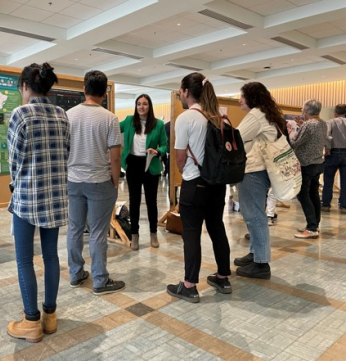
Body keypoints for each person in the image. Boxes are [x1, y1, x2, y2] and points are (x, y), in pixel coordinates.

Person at [6, 63, 70, 343]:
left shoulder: (21, 114)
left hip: (26, 198)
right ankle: (50, 317)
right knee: (51, 256)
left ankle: (31, 322)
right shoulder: (62, 115)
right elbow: (66, 153)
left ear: (25, 87)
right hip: (55, 196)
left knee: (24, 260)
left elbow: (14, 161)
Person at [166, 73, 231, 303]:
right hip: (217, 185)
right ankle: (223, 277)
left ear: (185, 91)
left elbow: (180, 157)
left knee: (191, 234)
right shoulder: (220, 118)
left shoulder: (186, 118)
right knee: (217, 229)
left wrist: (186, 173)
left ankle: (189, 285)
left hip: (195, 184)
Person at [66, 70, 125, 296]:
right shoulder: (109, 118)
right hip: (99, 181)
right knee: (99, 232)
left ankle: (76, 274)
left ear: (84, 89)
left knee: (74, 229)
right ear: (105, 92)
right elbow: (115, 157)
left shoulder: (68, 115)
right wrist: (114, 181)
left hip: (73, 180)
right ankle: (100, 280)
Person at [233, 82, 286, 280]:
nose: (239, 100)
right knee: (256, 213)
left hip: (254, 171)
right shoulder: (267, 113)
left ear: (251, 97)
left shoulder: (256, 115)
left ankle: (261, 263)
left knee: (254, 215)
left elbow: (236, 137)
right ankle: (256, 253)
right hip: (262, 171)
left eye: (242, 96)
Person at [120, 94, 168, 250]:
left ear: (150, 106)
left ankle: (153, 233)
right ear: (136, 106)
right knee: (134, 201)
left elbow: (165, 146)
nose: (141, 107)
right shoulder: (128, 121)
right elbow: (112, 126)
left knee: (151, 201)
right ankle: (135, 235)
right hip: (133, 163)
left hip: (150, 163)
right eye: (139, 104)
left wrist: (157, 151)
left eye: (145, 104)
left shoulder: (158, 124)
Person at [291, 99, 328, 239]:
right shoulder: (323, 123)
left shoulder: (308, 125)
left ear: (306, 111)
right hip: (318, 162)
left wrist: (292, 132)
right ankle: (314, 224)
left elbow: (295, 143)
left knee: (302, 195)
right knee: (313, 194)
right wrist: (302, 126)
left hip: (306, 164)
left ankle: (312, 227)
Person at [321, 104, 346, 213]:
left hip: (333, 153)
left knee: (328, 180)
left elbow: (326, 135)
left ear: (335, 112)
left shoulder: (331, 122)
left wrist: (327, 148)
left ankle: (326, 204)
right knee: (345, 181)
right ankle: (344, 205)